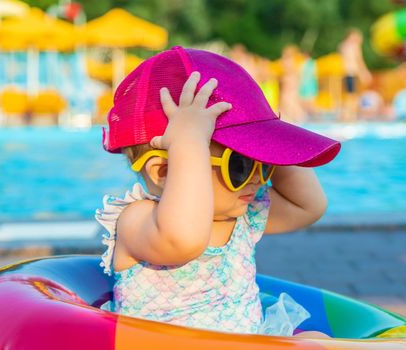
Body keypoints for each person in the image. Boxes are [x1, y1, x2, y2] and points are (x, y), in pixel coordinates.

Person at [96, 46, 340, 337]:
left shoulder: (243, 210)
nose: (255, 179)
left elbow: (309, 206)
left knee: (316, 341)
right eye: (239, 165)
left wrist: (268, 136)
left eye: (260, 163)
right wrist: (189, 141)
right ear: (164, 172)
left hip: (247, 341)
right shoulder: (138, 220)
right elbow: (185, 239)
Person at [338, 28, 372, 122]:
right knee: (353, 96)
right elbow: (359, 61)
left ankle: (346, 115)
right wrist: (364, 73)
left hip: (346, 73)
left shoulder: (343, 46)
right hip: (352, 73)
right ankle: (350, 116)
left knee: (349, 96)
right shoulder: (354, 46)